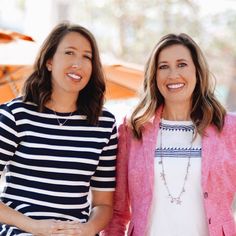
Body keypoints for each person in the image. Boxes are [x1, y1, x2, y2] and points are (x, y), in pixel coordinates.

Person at [102, 33, 236, 236]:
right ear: (154, 76)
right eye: (163, 66)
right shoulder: (133, 129)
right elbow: (118, 213)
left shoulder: (228, 129)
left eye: (182, 64)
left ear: (198, 71)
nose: (173, 74)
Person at [0, 22, 117, 236]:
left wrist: (87, 229)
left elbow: (103, 204)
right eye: (69, 53)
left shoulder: (104, 124)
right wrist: (34, 226)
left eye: (87, 56)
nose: (78, 63)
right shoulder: (16, 114)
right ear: (49, 61)